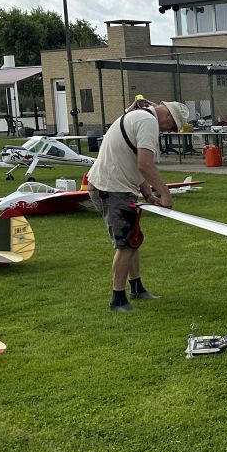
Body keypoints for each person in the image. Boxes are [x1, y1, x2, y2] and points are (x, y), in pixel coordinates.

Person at [86, 99, 192, 313]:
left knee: (133, 240)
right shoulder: (147, 121)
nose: (168, 131)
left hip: (115, 186)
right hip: (112, 188)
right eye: (172, 127)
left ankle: (136, 287)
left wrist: (147, 194)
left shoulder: (139, 117)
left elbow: (134, 162)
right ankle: (117, 299)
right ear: (168, 116)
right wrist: (165, 194)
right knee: (125, 244)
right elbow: (145, 164)